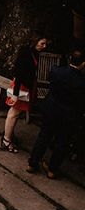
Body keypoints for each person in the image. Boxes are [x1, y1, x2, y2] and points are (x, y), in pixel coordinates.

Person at [27, 49, 85, 179]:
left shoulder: (56, 71)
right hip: (69, 114)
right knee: (62, 142)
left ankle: (32, 163)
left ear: (70, 59)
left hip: (51, 109)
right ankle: (52, 169)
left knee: (43, 136)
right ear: (83, 64)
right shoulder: (82, 82)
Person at [2, 35, 48, 152]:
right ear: (35, 41)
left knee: (16, 113)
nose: (44, 46)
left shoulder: (34, 52)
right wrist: (16, 94)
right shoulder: (25, 53)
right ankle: (6, 140)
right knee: (14, 113)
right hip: (21, 86)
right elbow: (19, 75)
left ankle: (8, 134)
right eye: (42, 43)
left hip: (27, 86)